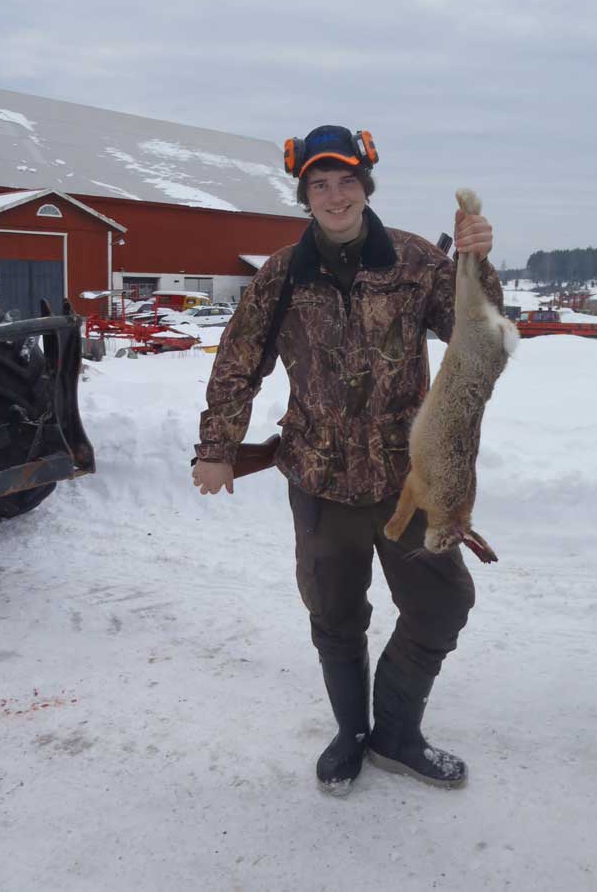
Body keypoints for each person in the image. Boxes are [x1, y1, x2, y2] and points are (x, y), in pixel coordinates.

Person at [192, 125, 502, 795]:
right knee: (334, 617)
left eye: (347, 181)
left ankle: (396, 733)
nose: (335, 196)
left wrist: (476, 265)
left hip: (406, 483)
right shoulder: (282, 274)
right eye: (320, 185)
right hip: (319, 483)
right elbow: (237, 364)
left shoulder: (416, 261)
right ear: (305, 195)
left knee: (442, 606)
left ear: (366, 186)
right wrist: (217, 448)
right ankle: (351, 734)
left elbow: (478, 338)